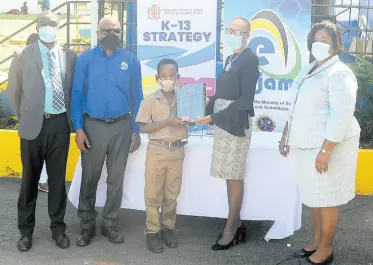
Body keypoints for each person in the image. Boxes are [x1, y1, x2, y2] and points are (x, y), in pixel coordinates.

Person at [279, 20, 361, 265]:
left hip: (328, 146)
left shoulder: (340, 73)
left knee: (327, 198)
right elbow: (295, 106)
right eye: (315, 41)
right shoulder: (309, 69)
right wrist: (285, 135)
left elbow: (341, 114)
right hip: (307, 144)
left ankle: (326, 250)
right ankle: (316, 242)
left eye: (324, 41)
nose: (318, 45)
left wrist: (326, 150)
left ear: (336, 44)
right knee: (315, 197)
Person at [7, 12, 77, 252]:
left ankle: (58, 228)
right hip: (32, 125)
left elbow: (71, 90)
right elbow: (13, 92)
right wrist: (26, 115)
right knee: (29, 180)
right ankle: (25, 232)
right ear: (37, 27)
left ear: (59, 27)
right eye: (43, 23)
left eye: (53, 23)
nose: (48, 27)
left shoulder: (69, 55)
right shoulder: (22, 54)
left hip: (60, 124)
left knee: (57, 180)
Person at [71, 16, 143, 247]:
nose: (112, 33)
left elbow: (137, 97)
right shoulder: (85, 59)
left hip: (122, 126)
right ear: (98, 33)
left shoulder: (131, 60)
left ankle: (110, 223)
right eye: (107, 30)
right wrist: (79, 129)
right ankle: (86, 224)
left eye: (116, 30)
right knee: (90, 177)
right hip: (93, 126)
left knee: (116, 178)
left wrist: (135, 130)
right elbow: (77, 96)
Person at [194, 17, 259, 251]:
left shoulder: (250, 59)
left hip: (235, 122)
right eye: (230, 30)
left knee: (234, 176)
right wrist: (206, 102)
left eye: (238, 31)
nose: (233, 34)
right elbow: (222, 93)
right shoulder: (232, 57)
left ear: (247, 35)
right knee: (228, 175)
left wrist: (213, 117)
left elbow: (245, 99)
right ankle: (237, 223)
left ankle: (230, 228)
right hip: (223, 121)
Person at [136, 59, 189, 253]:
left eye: (173, 75)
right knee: (153, 194)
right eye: (164, 76)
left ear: (178, 77)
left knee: (172, 193)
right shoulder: (150, 100)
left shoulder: (184, 97)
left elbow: (197, 112)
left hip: (177, 150)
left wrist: (189, 94)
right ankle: (152, 231)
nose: (169, 79)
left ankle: (168, 228)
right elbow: (143, 127)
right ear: (157, 78)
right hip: (157, 150)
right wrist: (167, 121)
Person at [25, 33, 49, 193]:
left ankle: (42, 180)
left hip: (51, 117)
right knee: (34, 153)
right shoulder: (25, 62)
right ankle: (39, 181)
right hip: (33, 117)